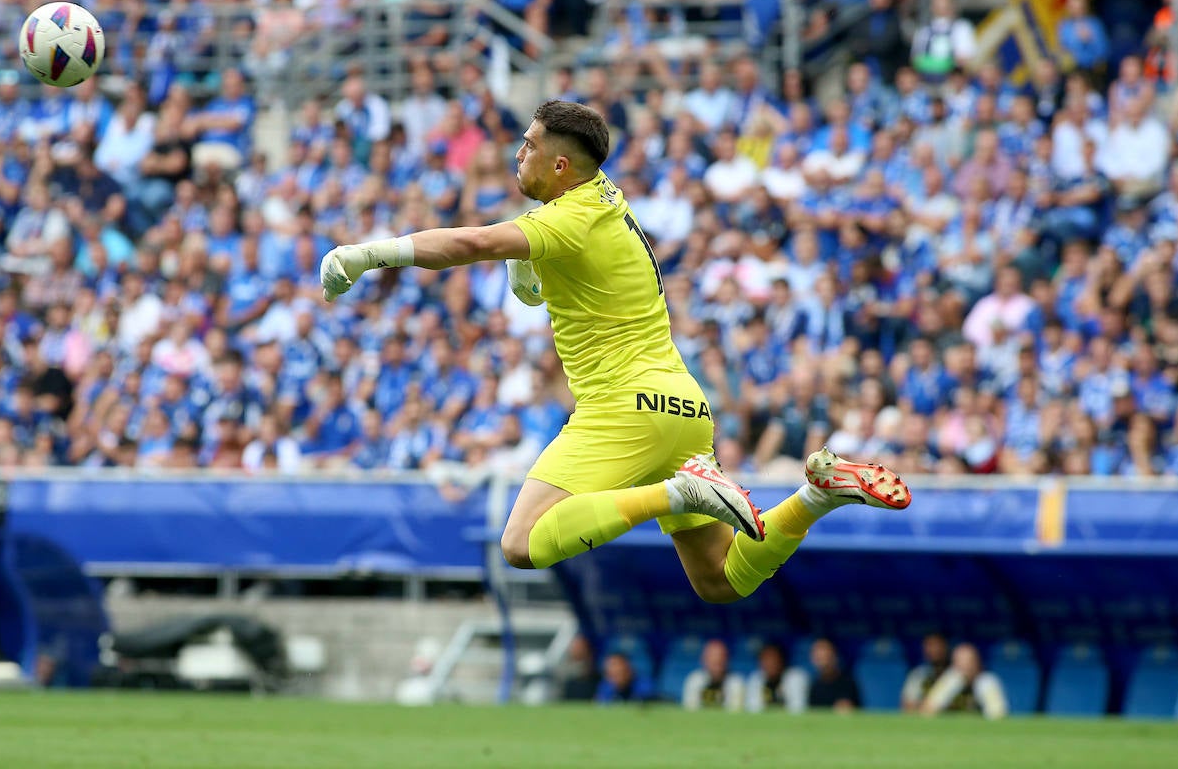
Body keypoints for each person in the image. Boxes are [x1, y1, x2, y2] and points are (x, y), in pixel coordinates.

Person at [321, 101, 911, 606]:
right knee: (721, 579)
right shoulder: (604, 203)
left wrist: (368, 254)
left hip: (623, 407)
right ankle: (817, 493)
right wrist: (526, 264)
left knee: (521, 543)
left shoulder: (569, 219)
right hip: (682, 408)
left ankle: (682, 492)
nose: (516, 155)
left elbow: (472, 241)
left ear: (560, 164)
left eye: (527, 146)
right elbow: (538, 261)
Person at [919, 642, 1008, 719]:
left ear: (977, 663)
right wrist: (948, 689)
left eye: (969, 662)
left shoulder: (987, 682)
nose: (965, 668)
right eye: (960, 663)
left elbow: (998, 715)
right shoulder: (950, 680)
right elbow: (925, 711)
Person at [681, 638, 745, 710]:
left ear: (727, 660)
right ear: (703, 660)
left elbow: (735, 711)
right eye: (713, 661)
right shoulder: (694, 680)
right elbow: (690, 709)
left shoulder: (736, 682)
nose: (717, 665)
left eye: (720, 660)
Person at [806, 637, 861, 712]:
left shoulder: (847, 682)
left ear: (834, 655)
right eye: (818, 656)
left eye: (825, 654)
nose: (822, 658)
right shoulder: (814, 685)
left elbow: (855, 709)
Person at [901, 632, 952, 711]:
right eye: (929, 645)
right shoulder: (918, 674)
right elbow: (908, 707)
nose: (933, 649)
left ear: (945, 647)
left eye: (936, 645)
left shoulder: (958, 674)